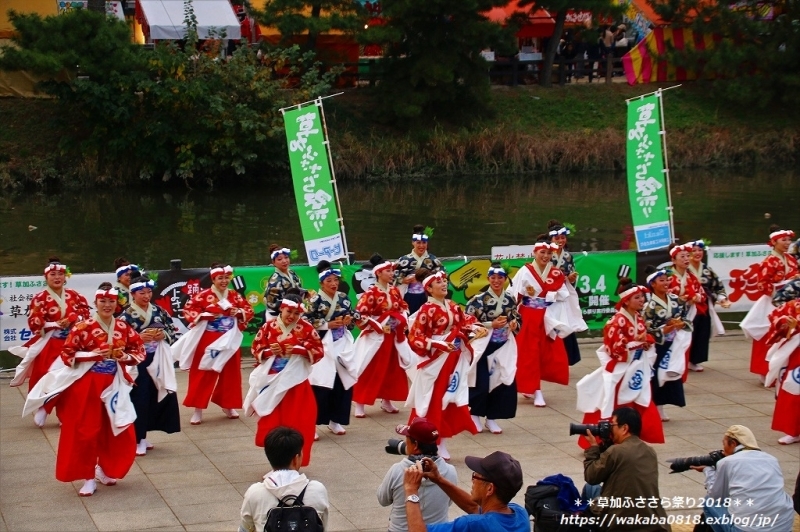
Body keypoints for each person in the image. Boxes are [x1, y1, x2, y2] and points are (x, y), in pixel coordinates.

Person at [47, 282, 145, 496]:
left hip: (113, 384)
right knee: (86, 431)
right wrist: (94, 355)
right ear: (96, 303)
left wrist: (124, 357)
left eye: (111, 301)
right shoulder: (83, 327)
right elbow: (67, 355)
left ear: (116, 304)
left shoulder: (122, 327)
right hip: (87, 384)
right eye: (103, 301)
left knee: (117, 429)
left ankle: (105, 468)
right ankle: (88, 476)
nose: (107, 305)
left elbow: (138, 350)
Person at [407, 270, 486, 460]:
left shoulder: (452, 305)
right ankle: (430, 440)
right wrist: (437, 343)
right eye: (439, 282)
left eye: (444, 281)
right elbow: (415, 337)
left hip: (454, 358)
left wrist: (476, 329)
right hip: (436, 360)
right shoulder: (426, 310)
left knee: (450, 398)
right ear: (429, 288)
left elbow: (464, 324)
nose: (444, 284)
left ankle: (443, 440)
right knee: (434, 399)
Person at [575, 277, 664, 447]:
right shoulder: (615, 321)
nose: (641, 300)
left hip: (635, 367)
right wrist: (635, 343)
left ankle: (634, 436)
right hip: (621, 369)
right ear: (626, 300)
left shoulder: (638, 317)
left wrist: (645, 340)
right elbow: (613, 347)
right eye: (637, 297)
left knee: (638, 399)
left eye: (642, 297)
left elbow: (647, 338)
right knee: (613, 403)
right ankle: (604, 438)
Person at [245, 291, 324, 466]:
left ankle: (296, 460)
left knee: (300, 420)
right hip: (273, 379)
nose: (292, 316)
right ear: (282, 308)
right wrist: (268, 352)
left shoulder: (307, 328)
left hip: (296, 382)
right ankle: (277, 461)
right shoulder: (268, 326)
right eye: (289, 311)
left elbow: (319, 351)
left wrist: (299, 349)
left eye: (297, 313)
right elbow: (256, 347)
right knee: (272, 422)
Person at [10, 257, 90, 427]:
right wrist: (55, 324)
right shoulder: (40, 298)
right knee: (44, 376)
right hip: (50, 343)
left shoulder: (75, 296)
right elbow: (34, 322)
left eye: (60, 274)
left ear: (65, 277)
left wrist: (72, 318)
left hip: (71, 344)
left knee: (69, 379)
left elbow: (86, 315)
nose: (57, 277)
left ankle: (63, 414)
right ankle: (43, 408)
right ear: (46, 277)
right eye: (53, 274)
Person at [178, 263, 254, 425]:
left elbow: (249, 310)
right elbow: (188, 309)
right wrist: (204, 314)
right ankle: (197, 409)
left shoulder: (234, 295)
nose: (224, 281)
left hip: (230, 338)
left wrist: (238, 312)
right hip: (209, 338)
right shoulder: (203, 295)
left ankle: (228, 405)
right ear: (213, 279)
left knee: (231, 373)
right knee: (203, 373)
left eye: (227, 278)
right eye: (220, 278)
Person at [691, 425, 794, 532]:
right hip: (784, 527)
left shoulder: (727, 462)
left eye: (724, 444)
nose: (723, 450)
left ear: (733, 444)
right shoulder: (772, 459)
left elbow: (716, 496)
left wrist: (707, 470)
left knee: (709, 501)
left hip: (748, 529)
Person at [120, 275, 181, 456]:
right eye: (142, 293)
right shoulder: (126, 315)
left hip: (157, 359)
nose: (146, 296)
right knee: (139, 398)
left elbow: (172, 329)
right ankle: (137, 438)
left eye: (148, 292)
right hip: (138, 362)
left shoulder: (159, 311)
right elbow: (119, 340)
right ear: (132, 294)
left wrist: (163, 336)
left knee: (156, 397)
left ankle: (144, 435)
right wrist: (138, 338)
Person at [582, 407, 670, 531]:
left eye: (613, 425)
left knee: (591, 487)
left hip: (618, 523)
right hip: (652, 521)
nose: (610, 428)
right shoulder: (650, 452)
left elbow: (591, 476)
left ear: (624, 428)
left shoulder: (616, 451)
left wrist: (593, 448)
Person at [508, 237, 571, 407]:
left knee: (548, 353)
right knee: (529, 354)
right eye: (542, 252)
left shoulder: (556, 272)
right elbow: (513, 295)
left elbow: (564, 294)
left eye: (549, 253)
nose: (546, 256)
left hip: (547, 316)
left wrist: (553, 295)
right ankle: (535, 389)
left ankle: (534, 386)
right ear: (534, 253)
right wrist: (511, 317)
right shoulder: (525, 271)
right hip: (528, 315)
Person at [402, 450, 529, 532]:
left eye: (476, 476)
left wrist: (411, 490)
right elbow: (473, 507)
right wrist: (439, 479)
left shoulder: (472, 525)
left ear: (489, 488)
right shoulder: (520, 514)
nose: (472, 480)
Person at [464, 263, 520, 434]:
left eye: (500, 278)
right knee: (480, 383)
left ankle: (492, 417)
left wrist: (514, 323)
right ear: (488, 279)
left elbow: (517, 317)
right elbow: (467, 323)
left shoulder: (510, 298)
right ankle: (475, 414)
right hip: (483, 346)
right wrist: (490, 324)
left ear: (505, 279)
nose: (496, 281)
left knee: (503, 381)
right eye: (493, 278)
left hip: (503, 345)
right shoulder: (477, 300)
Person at [352, 254, 410, 418]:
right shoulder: (371, 293)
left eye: (392, 271)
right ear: (378, 273)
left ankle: (387, 400)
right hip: (375, 337)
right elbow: (361, 315)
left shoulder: (394, 290)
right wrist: (378, 323)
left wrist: (401, 316)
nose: (392, 274)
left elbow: (403, 306)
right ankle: (360, 402)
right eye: (388, 271)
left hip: (392, 336)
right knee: (369, 368)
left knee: (392, 369)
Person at [239, 427, 329, 532]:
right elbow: (323, 526)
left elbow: (245, 528)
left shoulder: (255, 492)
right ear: (296, 459)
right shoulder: (317, 489)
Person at [305, 261, 359, 438]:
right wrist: (326, 324)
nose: (333, 283)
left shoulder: (343, 296)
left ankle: (335, 420)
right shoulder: (314, 300)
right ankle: (311, 423)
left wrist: (348, 320)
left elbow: (355, 314)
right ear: (321, 283)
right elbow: (305, 321)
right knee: (320, 384)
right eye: (329, 280)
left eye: (335, 280)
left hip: (341, 343)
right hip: (323, 344)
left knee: (342, 382)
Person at [378, 417, 458, 532]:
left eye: (407, 440)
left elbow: (383, 499)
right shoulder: (450, 471)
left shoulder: (397, 470)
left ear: (415, 445)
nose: (405, 444)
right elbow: (449, 502)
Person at [741, 226, 799, 381]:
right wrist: (783, 287)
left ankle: (782, 368)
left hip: (791, 303)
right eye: (783, 240)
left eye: (789, 240)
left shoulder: (791, 259)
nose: (787, 243)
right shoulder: (769, 261)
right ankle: (763, 370)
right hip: (772, 302)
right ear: (774, 242)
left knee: (788, 334)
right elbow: (762, 284)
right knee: (768, 333)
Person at [643, 266, 691, 422]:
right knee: (656, 376)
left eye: (667, 280)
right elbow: (647, 327)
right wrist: (665, 328)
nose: (666, 283)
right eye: (661, 281)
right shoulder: (649, 306)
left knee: (669, 375)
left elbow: (686, 318)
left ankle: (662, 405)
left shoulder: (676, 300)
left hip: (673, 344)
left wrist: (681, 324)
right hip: (657, 345)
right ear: (653, 284)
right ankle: (655, 406)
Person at [549, 219, 587, 365]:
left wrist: (570, 278)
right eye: (557, 238)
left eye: (563, 237)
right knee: (551, 325)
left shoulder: (568, 256)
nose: (560, 240)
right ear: (551, 239)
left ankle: (565, 358)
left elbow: (571, 278)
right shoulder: (546, 254)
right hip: (550, 295)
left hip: (563, 294)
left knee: (565, 324)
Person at [763, 297, 800, 444]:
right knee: (793, 389)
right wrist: (791, 328)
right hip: (797, 355)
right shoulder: (794, 305)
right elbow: (778, 324)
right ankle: (794, 430)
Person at [667, 243, 707, 374]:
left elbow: (702, 295)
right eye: (682, 256)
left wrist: (695, 297)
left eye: (687, 256)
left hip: (687, 316)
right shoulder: (667, 277)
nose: (686, 259)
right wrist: (681, 299)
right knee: (671, 348)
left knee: (684, 346)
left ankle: (680, 375)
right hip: (670, 318)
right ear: (673, 260)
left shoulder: (691, 277)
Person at [688, 239, 731, 357]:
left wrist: (722, 298)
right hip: (688, 306)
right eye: (694, 251)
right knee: (689, 333)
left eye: (700, 250)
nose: (697, 253)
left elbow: (718, 286)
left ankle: (696, 360)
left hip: (705, 305)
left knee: (703, 332)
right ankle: (686, 359)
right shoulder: (684, 270)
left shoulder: (707, 270)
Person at [395, 224, 445, 314]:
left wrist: (429, 278)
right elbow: (392, 276)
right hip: (409, 296)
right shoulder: (404, 260)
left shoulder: (433, 260)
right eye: (418, 243)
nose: (421, 246)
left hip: (427, 296)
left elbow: (443, 274)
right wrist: (403, 280)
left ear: (427, 243)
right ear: (413, 243)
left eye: (424, 243)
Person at [263, 244, 304, 322]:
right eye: (279, 259)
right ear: (273, 262)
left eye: (286, 257)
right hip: (277, 316)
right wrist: (287, 308)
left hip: (293, 312)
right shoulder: (274, 280)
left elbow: (298, 289)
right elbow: (271, 303)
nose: (284, 261)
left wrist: (305, 293)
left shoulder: (292, 273)